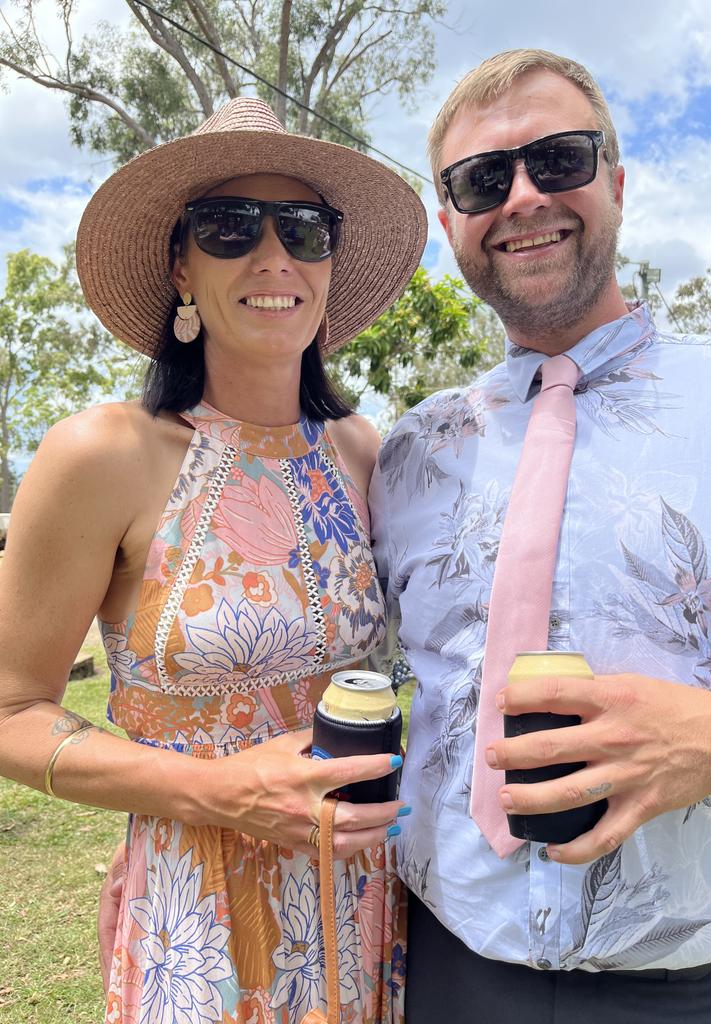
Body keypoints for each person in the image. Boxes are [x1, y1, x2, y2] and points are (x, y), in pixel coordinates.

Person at [0, 97, 426, 1024]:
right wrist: (219, 790)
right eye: (230, 227)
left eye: (304, 228)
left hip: (364, 905)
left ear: (328, 260)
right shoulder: (100, 455)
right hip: (196, 926)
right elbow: (10, 712)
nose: (273, 255)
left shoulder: (363, 452)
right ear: (180, 266)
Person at [369, 48, 711, 1023]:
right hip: (447, 965)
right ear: (450, 219)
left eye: (559, 159)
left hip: (701, 986)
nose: (522, 197)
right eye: (482, 179)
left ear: (617, 184)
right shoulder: (410, 452)